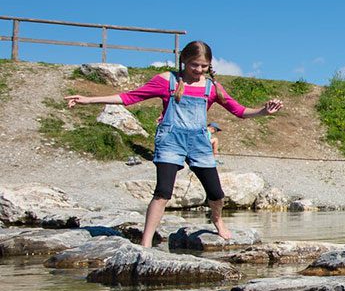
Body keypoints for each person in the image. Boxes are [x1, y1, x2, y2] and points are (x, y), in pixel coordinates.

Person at [66, 40, 284, 246]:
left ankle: (217, 220)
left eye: (204, 66)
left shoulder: (212, 88)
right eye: (194, 65)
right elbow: (130, 97)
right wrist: (88, 100)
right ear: (184, 61)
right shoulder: (166, 81)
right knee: (163, 192)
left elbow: (240, 111)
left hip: (199, 142)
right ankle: (146, 241)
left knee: (216, 193)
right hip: (170, 140)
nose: (198, 70)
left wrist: (264, 111)